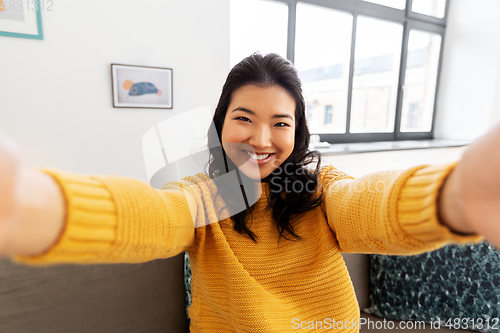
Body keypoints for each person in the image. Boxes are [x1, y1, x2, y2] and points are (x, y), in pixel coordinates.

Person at [0, 53, 498, 332]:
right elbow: (154, 216)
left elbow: (367, 207)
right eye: (244, 119)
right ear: (221, 126)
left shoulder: (322, 188)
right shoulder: (203, 195)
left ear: (297, 133)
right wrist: (33, 203)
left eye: (280, 123)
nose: (262, 140)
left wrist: (453, 194)